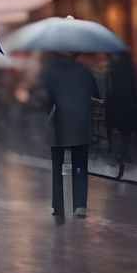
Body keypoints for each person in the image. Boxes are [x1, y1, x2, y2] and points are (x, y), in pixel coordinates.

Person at [39, 52, 99, 221]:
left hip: (58, 125)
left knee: (57, 168)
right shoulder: (86, 72)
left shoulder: (49, 72)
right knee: (80, 165)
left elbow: (45, 101)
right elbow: (97, 96)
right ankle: (79, 204)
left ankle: (58, 206)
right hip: (80, 123)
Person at [104, 53, 137, 165]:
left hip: (115, 102)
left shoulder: (112, 69)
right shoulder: (130, 70)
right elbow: (134, 88)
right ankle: (125, 154)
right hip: (127, 102)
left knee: (113, 128)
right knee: (126, 130)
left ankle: (114, 154)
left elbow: (109, 88)